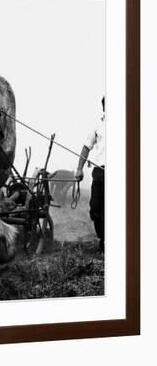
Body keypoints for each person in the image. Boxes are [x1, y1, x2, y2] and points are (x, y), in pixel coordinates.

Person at [75, 97, 105, 252]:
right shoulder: (97, 126)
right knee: (95, 209)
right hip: (100, 172)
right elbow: (86, 147)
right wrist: (79, 169)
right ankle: (104, 239)